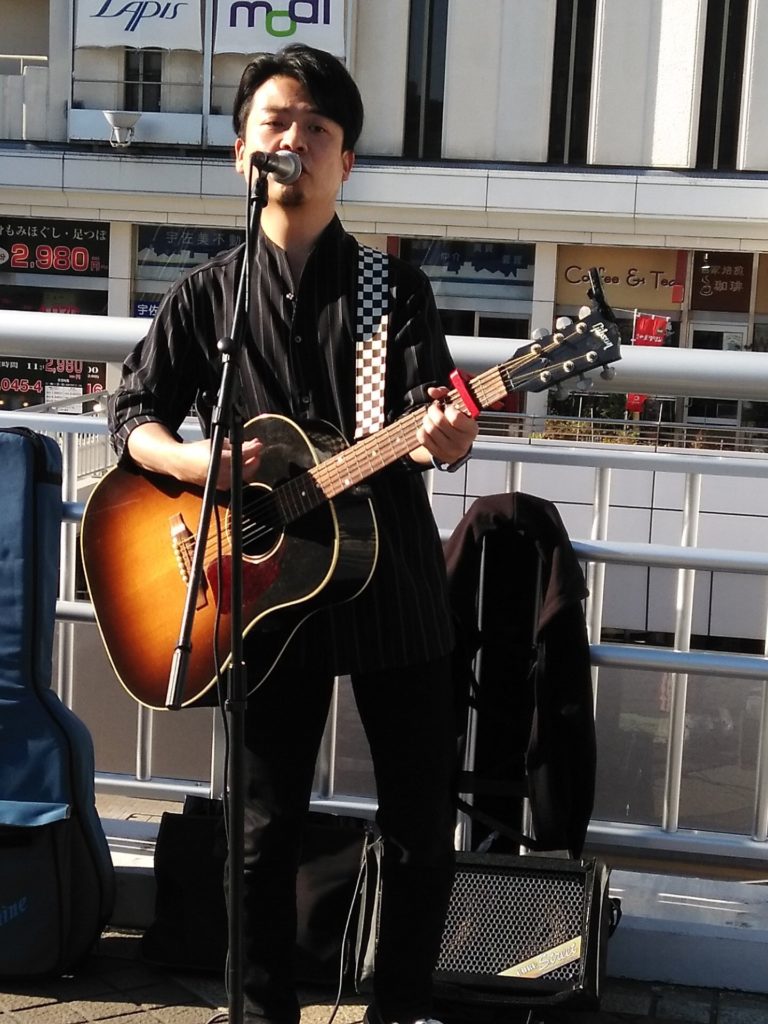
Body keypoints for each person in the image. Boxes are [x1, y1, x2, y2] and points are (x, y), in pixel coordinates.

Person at [108, 44, 477, 1024]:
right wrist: (198, 466)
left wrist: (446, 435)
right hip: (260, 593)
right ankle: (260, 1012)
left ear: (346, 161)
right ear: (242, 151)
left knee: (419, 824)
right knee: (260, 826)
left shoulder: (394, 293)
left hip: (390, 578)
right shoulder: (207, 297)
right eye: (277, 122)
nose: (296, 141)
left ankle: (397, 1008)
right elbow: (132, 414)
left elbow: (433, 417)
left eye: (319, 128)